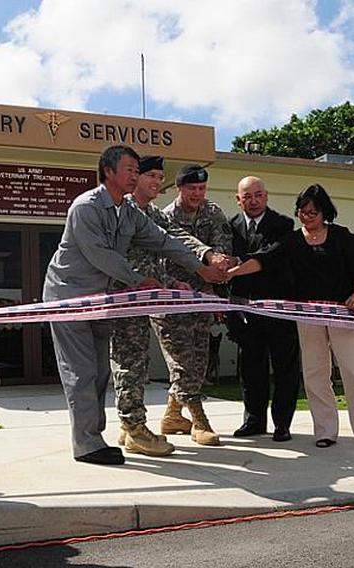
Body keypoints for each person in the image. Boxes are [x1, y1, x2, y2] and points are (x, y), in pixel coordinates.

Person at [43, 145, 226, 465]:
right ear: (108, 172)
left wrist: (202, 266)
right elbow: (101, 254)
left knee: (99, 372)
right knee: (82, 372)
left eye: (136, 169)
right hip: (70, 297)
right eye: (130, 169)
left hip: (103, 300)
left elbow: (164, 240)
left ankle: (94, 436)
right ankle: (86, 444)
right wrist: (139, 280)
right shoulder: (85, 207)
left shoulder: (128, 213)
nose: (135, 175)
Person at [228, 184, 354, 449]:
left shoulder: (342, 236)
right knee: (314, 374)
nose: (308, 217)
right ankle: (324, 431)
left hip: (344, 314)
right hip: (307, 316)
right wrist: (232, 272)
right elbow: (264, 259)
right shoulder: (292, 240)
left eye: (313, 212)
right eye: (303, 212)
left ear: (324, 213)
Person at [110, 155, 216, 457]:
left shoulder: (154, 213)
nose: (157, 182)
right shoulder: (121, 210)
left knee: (138, 360)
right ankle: (134, 429)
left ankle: (129, 423)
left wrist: (200, 261)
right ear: (135, 179)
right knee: (129, 361)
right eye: (150, 176)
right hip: (125, 295)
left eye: (160, 177)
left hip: (150, 296)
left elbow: (174, 240)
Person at [153, 164, 232, 447]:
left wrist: (218, 271)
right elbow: (165, 257)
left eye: (202, 188)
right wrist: (202, 270)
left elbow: (222, 247)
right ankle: (199, 421)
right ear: (179, 189)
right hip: (171, 300)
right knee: (183, 364)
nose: (198, 194)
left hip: (202, 298)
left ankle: (173, 416)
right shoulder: (164, 217)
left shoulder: (213, 213)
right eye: (192, 189)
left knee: (199, 362)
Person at [227, 176, 301, 442]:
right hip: (244, 312)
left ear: (266, 196)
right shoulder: (230, 227)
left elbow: (269, 257)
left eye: (258, 195)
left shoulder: (283, 224)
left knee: (285, 369)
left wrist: (235, 269)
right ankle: (254, 421)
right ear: (238, 199)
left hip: (278, 311)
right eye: (247, 196)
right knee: (250, 369)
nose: (254, 200)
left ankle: (282, 424)